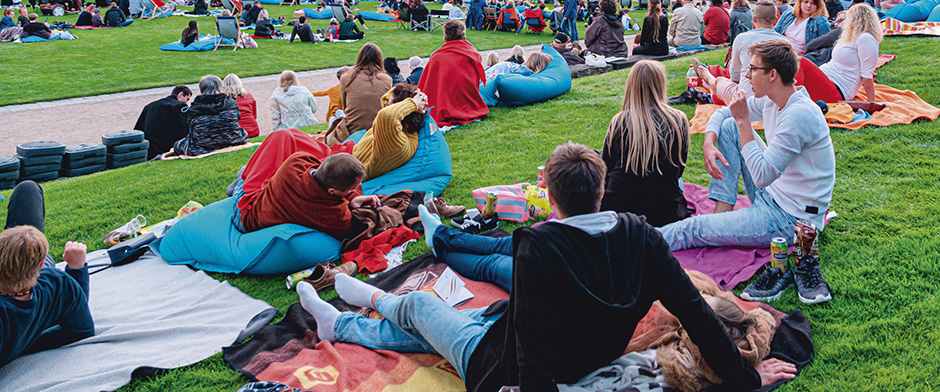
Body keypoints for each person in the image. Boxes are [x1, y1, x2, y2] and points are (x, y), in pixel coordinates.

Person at [296, 142, 789, 392]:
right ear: (601, 190)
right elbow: (695, 313)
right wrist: (744, 379)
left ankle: (365, 304)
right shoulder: (641, 237)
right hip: (559, 345)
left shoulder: (539, 244)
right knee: (450, 320)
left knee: (424, 306)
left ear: (549, 197)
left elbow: (531, 345)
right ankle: (343, 320)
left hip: (497, 360)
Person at [664, 40, 835, 305]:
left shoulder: (799, 115)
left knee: (693, 229)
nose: (746, 75)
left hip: (790, 217)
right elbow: (726, 112)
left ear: (772, 74)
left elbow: (761, 176)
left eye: (752, 69)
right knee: (731, 126)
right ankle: (723, 210)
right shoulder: (774, 100)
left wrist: (744, 121)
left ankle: (637, 241)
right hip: (775, 195)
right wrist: (710, 139)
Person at [0, 181, 94, 368]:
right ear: (41, 264)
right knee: (27, 189)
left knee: (27, 190)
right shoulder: (59, 284)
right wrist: (77, 269)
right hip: (35, 277)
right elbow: (80, 328)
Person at [600, 61, 691, 226]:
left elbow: (605, 166)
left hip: (619, 210)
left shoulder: (620, 121)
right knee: (676, 181)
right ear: (660, 84)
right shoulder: (678, 120)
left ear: (631, 85)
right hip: (665, 211)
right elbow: (679, 169)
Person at [239, 150, 374, 238]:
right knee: (243, 186)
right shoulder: (335, 214)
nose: (356, 190)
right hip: (245, 216)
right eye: (351, 190)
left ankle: (243, 175)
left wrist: (353, 197)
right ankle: (241, 178)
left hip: (256, 201)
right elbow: (348, 232)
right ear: (332, 192)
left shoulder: (296, 161)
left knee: (258, 176)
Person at [417, 20, 488, 127]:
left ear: (445, 38)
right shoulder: (472, 54)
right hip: (467, 102)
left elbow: (428, 86)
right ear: (464, 37)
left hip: (445, 102)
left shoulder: (437, 58)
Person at [173, 75, 247, 156]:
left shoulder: (195, 107)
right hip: (233, 140)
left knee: (178, 145)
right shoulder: (229, 102)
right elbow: (237, 117)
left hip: (202, 147)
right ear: (220, 89)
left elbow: (190, 124)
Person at [339, 43, 395, 135]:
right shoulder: (386, 80)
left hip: (352, 131)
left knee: (336, 116)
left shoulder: (346, 78)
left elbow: (344, 107)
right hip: (377, 131)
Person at [135, 85, 193, 158]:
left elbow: (138, 130)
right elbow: (183, 133)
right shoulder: (180, 107)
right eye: (187, 99)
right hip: (167, 150)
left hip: (148, 150)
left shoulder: (149, 106)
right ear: (180, 94)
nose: (186, 103)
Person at [223, 74, 259, 138]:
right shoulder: (248, 96)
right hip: (253, 130)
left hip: (237, 133)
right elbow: (254, 115)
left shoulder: (225, 101)